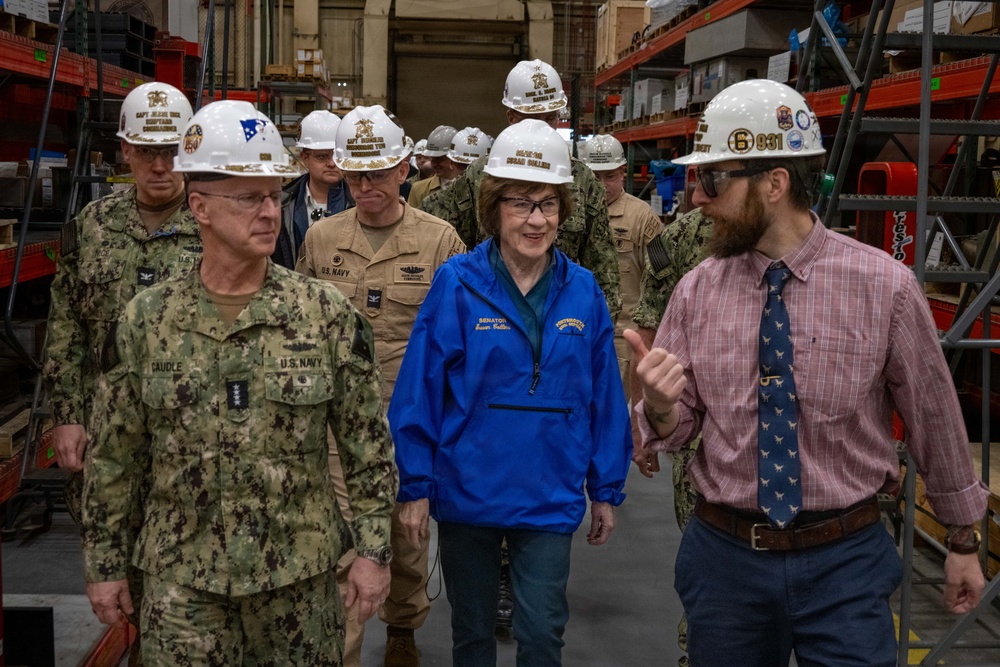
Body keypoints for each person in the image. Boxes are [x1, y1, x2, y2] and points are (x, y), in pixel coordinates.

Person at [626, 79, 989, 666]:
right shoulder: (696, 291)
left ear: (774, 183)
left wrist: (963, 539)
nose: (696, 198)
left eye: (713, 179)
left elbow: (935, 418)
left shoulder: (885, 289)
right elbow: (677, 425)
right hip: (727, 564)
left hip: (845, 563)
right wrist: (661, 406)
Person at [81, 100, 399, 665]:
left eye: (274, 195)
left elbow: (367, 447)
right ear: (200, 206)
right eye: (249, 198)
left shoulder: (324, 314)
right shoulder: (147, 321)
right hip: (183, 580)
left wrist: (374, 552)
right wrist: (105, 564)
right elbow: (113, 458)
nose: (270, 212)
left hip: (298, 578)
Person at [389, 119, 631, 667]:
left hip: (550, 488)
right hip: (468, 490)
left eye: (548, 204)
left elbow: (604, 397)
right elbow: (420, 389)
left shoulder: (584, 291)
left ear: (564, 211)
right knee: (472, 635)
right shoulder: (457, 283)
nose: (536, 219)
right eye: (520, 203)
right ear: (494, 209)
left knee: (542, 633)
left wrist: (606, 486)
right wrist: (415, 485)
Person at [297, 104, 465, 667]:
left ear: (403, 168)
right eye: (354, 176)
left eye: (376, 173)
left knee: (407, 540)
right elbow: (297, 329)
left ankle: (402, 628)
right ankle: (344, 651)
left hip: (410, 424)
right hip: (336, 428)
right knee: (343, 546)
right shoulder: (322, 239)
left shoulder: (440, 242)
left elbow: (459, 345)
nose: (365, 186)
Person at [41, 80, 196, 665]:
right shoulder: (92, 226)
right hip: (109, 444)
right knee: (121, 581)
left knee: (187, 587)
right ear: (124, 150)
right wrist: (66, 416)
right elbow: (65, 327)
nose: (160, 165)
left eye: (172, 150)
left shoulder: (214, 221)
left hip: (189, 437)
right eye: (147, 151)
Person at [419, 59, 621, 322]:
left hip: (560, 322)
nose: (540, 128)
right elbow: (434, 230)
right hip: (491, 320)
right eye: (531, 119)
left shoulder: (583, 180)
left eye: (549, 118)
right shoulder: (481, 174)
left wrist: (590, 333)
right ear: (511, 118)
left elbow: (604, 272)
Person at [629, 206, 711, 667]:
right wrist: (641, 423)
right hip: (699, 432)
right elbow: (647, 330)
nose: (700, 192)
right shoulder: (678, 238)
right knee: (707, 553)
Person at [581, 134, 662, 403]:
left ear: (623, 173)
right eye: (595, 177)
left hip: (621, 337)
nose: (602, 185)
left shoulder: (642, 218)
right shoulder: (571, 214)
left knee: (613, 410)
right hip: (575, 330)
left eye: (610, 176)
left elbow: (662, 279)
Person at [273, 109, 354, 269]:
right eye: (322, 156)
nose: (332, 163)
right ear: (305, 158)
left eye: (337, 155)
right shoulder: (284, 205)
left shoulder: (360, 201)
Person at [407, 125, 457, 209]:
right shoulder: (418, 190)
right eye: (432, 159)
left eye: (439, 159)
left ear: (454, 157)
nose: (434, 164)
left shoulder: (471, 187)